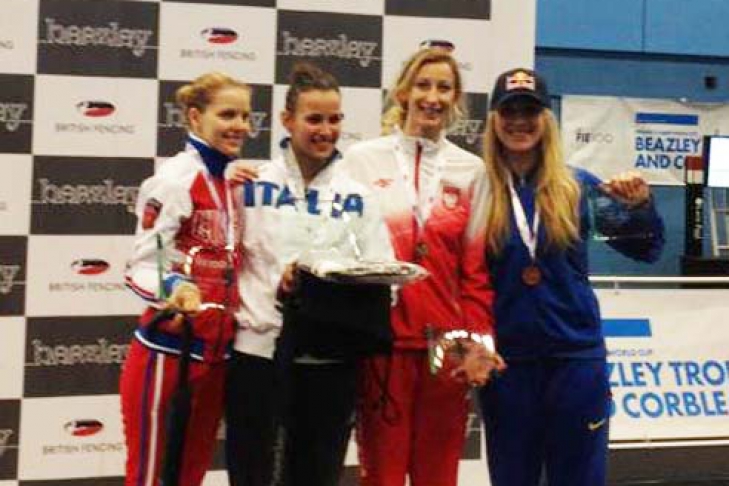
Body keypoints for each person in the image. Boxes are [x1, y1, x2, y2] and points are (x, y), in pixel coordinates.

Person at [477, 68, 665, 486]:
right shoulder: (480, 191)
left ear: (547, 119)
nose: (520, 121)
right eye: (509, 111)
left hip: (575, 361)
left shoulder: (577, 186)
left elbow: (645, 249)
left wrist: (640, 206)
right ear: (494, 120)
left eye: (530, 111)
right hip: (507, 366)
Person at [224, 62, 394, 486]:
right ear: (287, 120)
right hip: (258, 355)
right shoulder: (248, 183)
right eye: (314, 119)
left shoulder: (358, 195)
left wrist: (326, 293)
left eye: (334, 120)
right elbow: (221, 260)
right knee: (252, 475)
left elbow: (384, 282)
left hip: (329, 360)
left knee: (317, 476)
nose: (326, 130)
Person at [342, 47, 499, 486]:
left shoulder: (472, 170)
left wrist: (477, 342)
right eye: (423, 85)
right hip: (382, 343)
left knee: (439, 474)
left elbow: (475, 272)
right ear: (403, 93)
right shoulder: (361, 160)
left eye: (444, 88)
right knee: (383, 474)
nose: (432, 97)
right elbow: (343, 248)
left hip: (444, 348)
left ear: (456, 99)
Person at [120, 71, 250, 486]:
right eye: (227, 114)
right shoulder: (174, 179)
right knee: (151, 476)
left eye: (245, 116)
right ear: (195, 117)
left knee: (190, 476)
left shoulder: (233, 182)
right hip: (169, 350)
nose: (240, 126)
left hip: (218, 355)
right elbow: (141, 265)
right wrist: (175, 287)